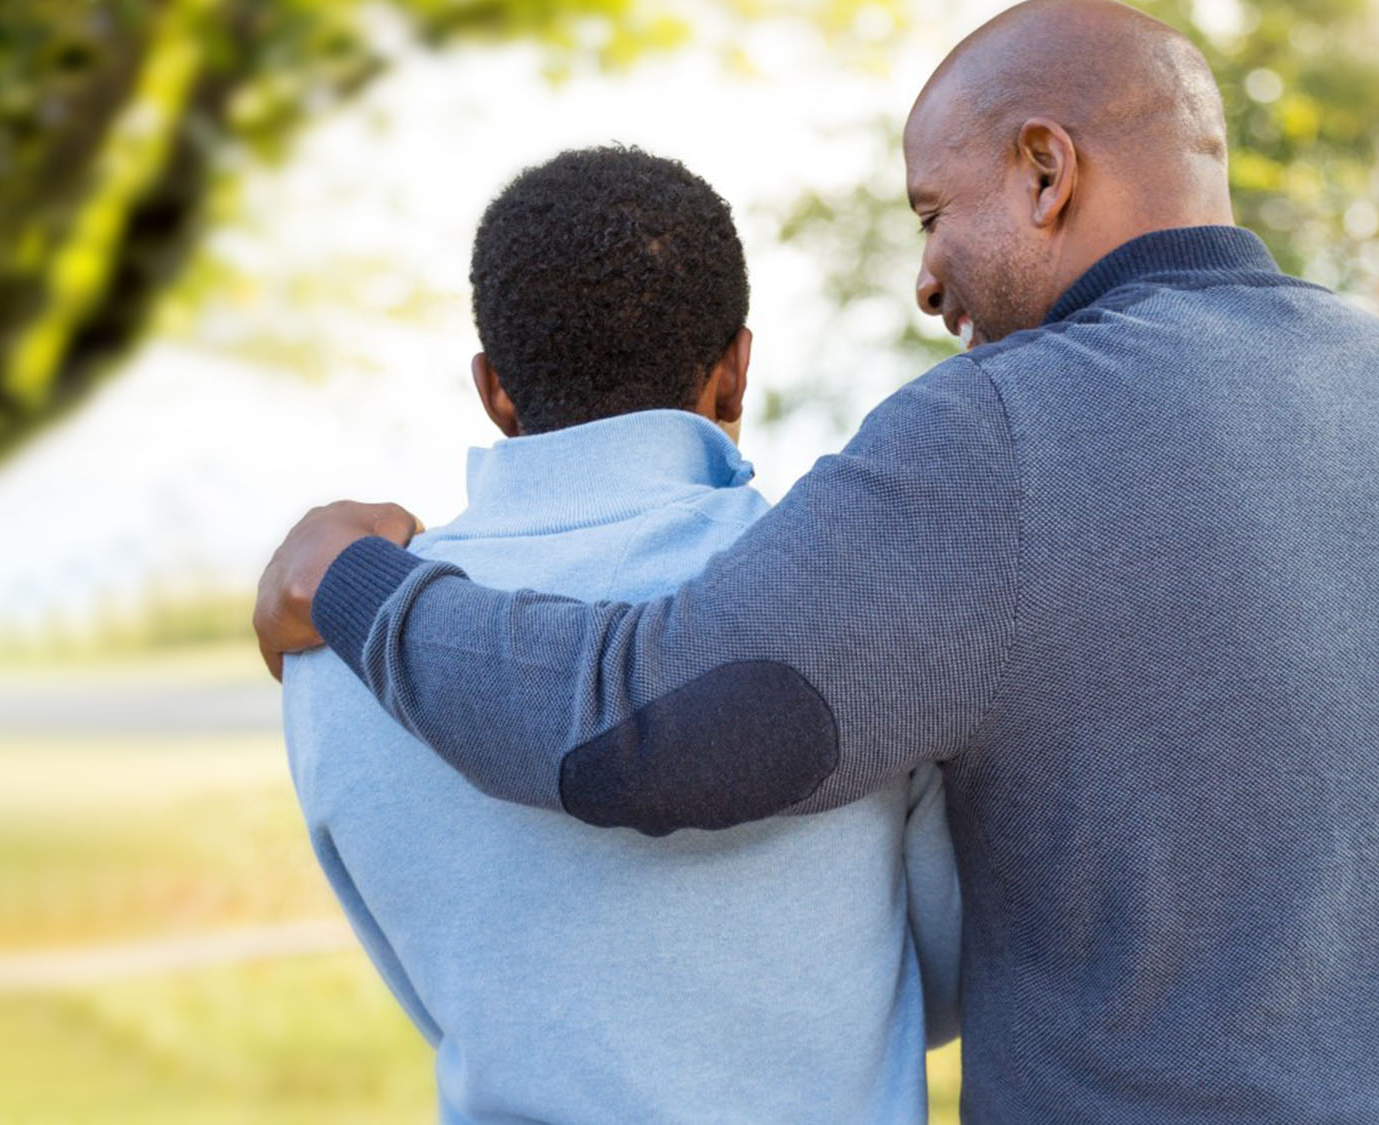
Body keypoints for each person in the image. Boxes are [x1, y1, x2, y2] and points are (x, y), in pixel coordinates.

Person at [256, 1, 1379, 1119]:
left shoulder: (1004, 434)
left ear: (1046, 170)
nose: (925, 282)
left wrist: (357, 582)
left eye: (933, 214)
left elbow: (643, 732)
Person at [279, 146, 961, 1125]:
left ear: (494, 388)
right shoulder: (852, 595)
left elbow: (427, 985)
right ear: (734, 369)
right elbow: (940, 962)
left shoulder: (332, 641)